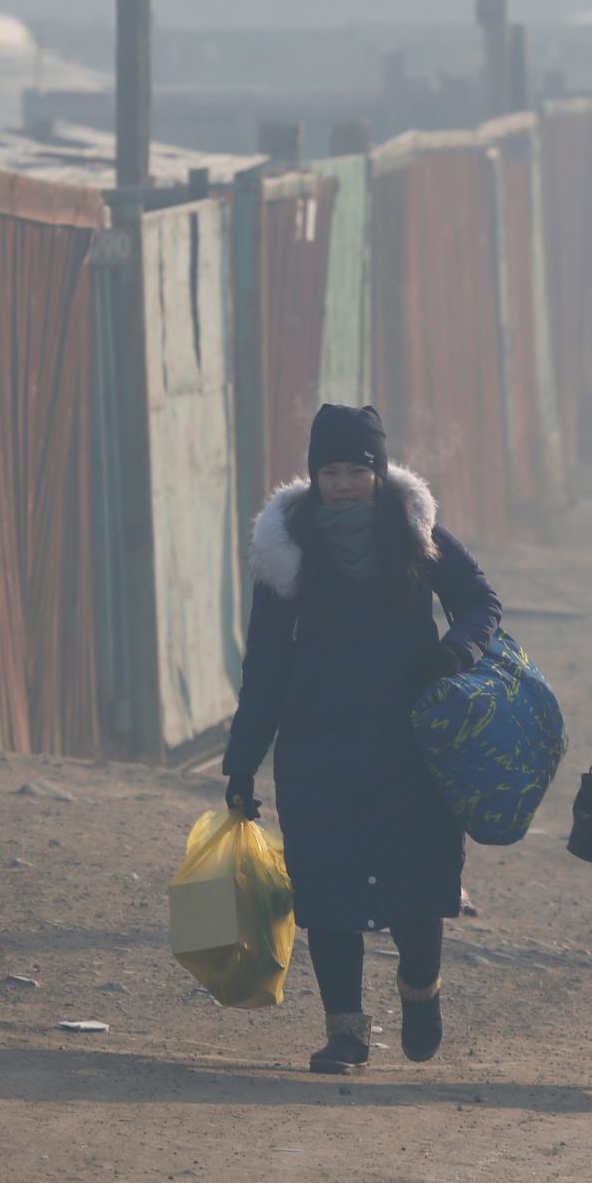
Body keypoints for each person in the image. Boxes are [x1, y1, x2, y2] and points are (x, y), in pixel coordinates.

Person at [220, 404, 503, 1074]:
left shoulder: (415, 532)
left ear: (378, 472)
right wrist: (242, 762)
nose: (344, 483)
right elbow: (264, 664)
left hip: (410, 743)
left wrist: (457, 652)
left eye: (357, 469)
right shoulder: (286, 549)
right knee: (328, 890)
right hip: (318, 746)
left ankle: (420, 988)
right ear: (314, 475)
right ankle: (345, 1032)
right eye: (330, 471)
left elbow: (479, 602)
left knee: (417, 881)